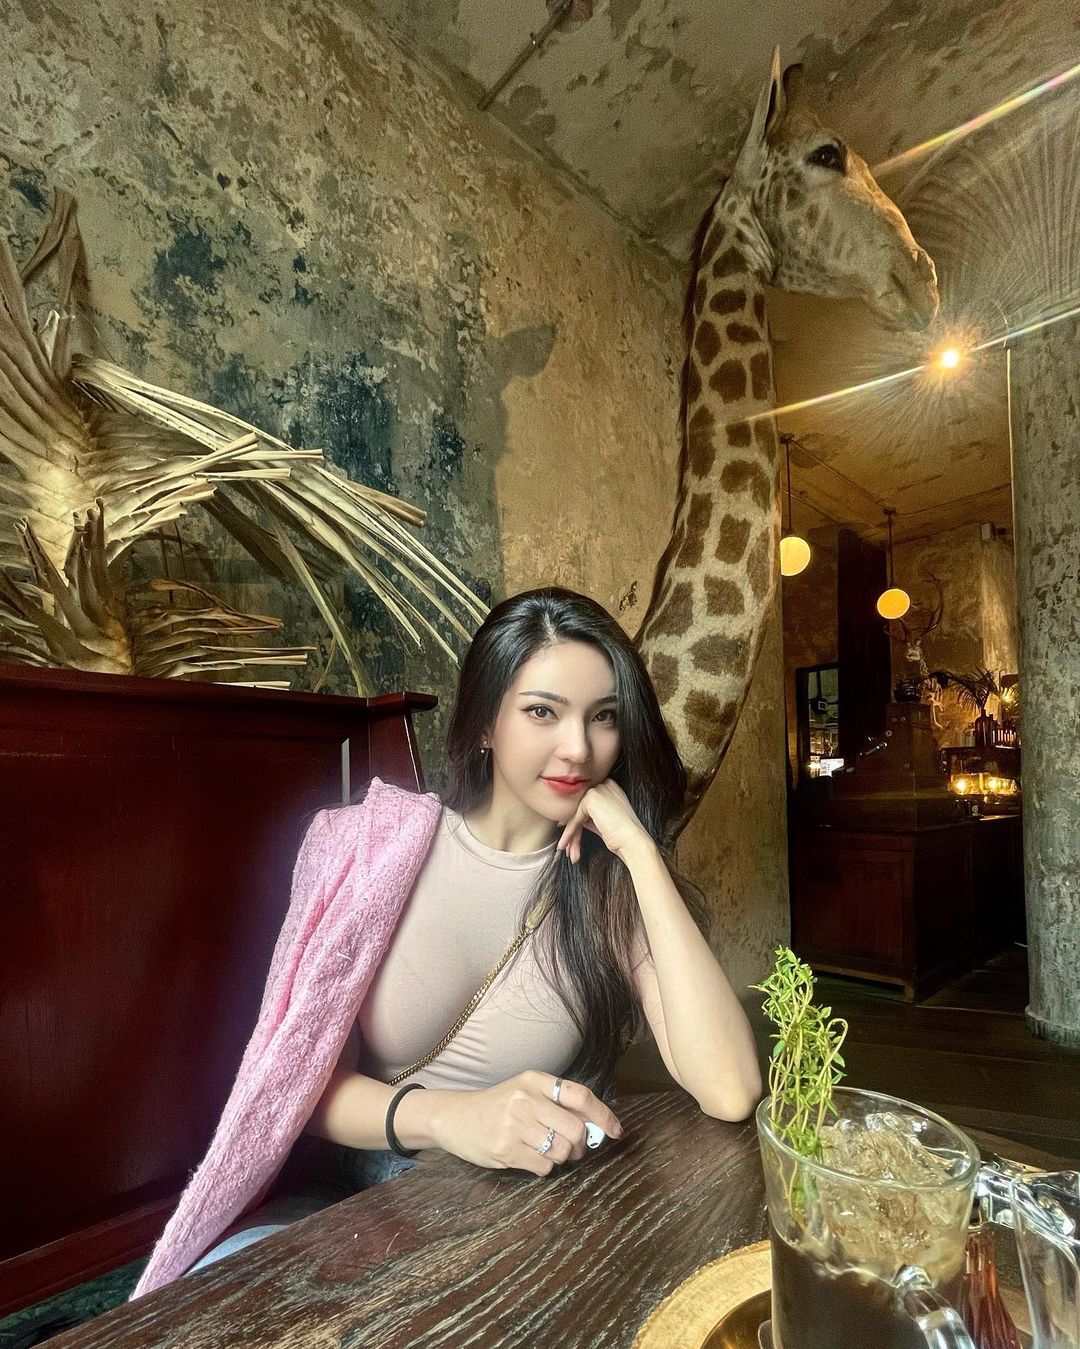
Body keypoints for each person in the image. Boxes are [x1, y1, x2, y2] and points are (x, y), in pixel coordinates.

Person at [132, 588, 761, 1297]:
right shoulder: (363, 848)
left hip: (501, 1218)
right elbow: (290, 1089)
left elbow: (731, 1089)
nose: (579, 748)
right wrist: (454, 1117)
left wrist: (641, 852)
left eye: (603, 717)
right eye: (543, 711)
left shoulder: (608, 891)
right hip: (339, 1206)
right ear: (486, 721)